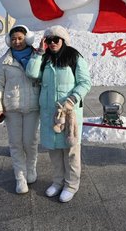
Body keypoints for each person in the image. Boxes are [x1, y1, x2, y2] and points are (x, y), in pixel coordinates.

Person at [26, 25, 91, 203]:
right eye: (49, 40)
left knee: (70, 151)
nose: (53, 43)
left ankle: (71, 185)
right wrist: (39, 52)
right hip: (49, 113)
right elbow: (31, 73)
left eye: (56, 39)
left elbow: (85, 82)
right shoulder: (45, 58)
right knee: (54, 151)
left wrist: (72, 99)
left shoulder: (74, 57)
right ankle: (57, 182)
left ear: (63, 40)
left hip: (69, 113)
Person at [0, 25, 40, 194]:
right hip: (11, 108)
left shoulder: (38, 56)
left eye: (20, 38)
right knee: (15, 144)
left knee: (30, 142)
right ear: (8, 41)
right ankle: (20, 177)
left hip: (33, 107)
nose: (17, 42)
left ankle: (31, 169)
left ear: (27, 38)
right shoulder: (4, 61)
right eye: (13, 39)